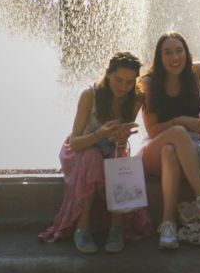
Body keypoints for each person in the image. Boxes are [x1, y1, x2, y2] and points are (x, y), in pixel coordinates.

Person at [39, 51, 153, 253]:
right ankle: (82, 228)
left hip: (111, 148)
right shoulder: (89, 95)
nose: (123, 87)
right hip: (81, 150)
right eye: (118, 80)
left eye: (129, 82)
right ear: (108, 74)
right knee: (92, 158)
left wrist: (121, 139)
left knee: (120, 158)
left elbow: (121, 142)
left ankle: (116, 227)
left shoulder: (135, 98)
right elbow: (75, 143)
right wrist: (99, 134)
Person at [138, 32, 200, 250]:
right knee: (175, 135)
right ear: (159, 57)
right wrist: (183, 121)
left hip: (188, 150)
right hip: (152, 149)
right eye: (167, 52)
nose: (174, 57)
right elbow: (153, 129)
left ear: (186, 53)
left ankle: (167, 224)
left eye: (179, 51)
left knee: (171, 151)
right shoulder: (148, 83)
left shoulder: (195, 72)